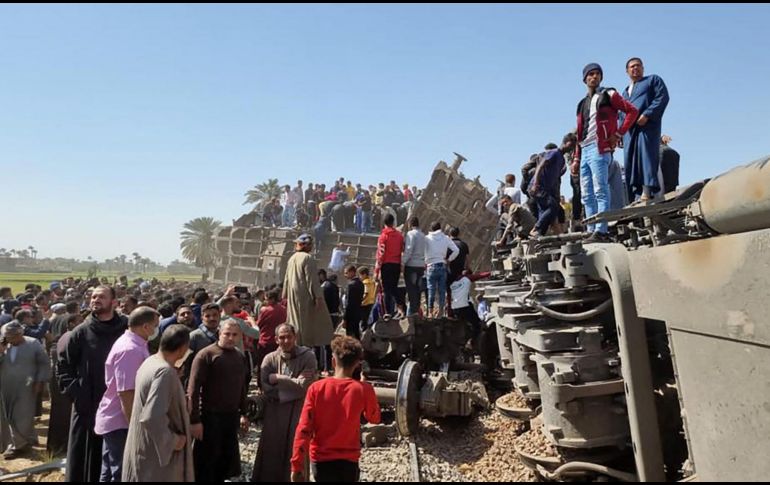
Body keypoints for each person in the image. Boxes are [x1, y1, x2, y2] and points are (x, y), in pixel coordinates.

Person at [57, 286, 128, 482]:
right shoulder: (80, 333)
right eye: (93, 296)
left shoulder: (127, 329)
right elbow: (64, 368)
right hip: (88, 406)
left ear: (114, 302)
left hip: (120, 406)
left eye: (101, 297)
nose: (95, 300)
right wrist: (77, 395)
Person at [290, 336, 381, 483]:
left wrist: (296, 465)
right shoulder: (364, 389)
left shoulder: (316, 389)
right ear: (357, 364)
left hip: (321, 459)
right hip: (349, 460)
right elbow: (374, 417)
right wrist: (367, 389)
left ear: (333, 362)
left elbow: (303, 429)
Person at [573, 63, 638, 242]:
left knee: (600, 188)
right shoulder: (581, 103)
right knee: (586, 193)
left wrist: (618, 133)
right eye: (590, 74)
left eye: (597, 74)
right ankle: (591, 228)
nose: (594, 77)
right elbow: (580, 132)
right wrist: (576, 158)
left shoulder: (609, 94)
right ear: (584, 78)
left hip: (599, 148)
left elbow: (632, 111)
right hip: (584, 149)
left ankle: (602, 230)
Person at [121, 324, 193, 482]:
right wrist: (173, 441)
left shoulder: (151, 362)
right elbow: (152, 417)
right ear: (182, 349)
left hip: (144, 448)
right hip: (156, 456)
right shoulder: (164, 372)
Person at [94, 307, 158, 482]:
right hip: (121, 421)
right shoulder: (130, 350)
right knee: (122, 472)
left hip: (116, 419)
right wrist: (134, 428)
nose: (156, 330)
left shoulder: (136, 344)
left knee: (109, 471)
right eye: (155, 325)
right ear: (145, 326)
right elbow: (126, 392)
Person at [187, 320, 250, 482]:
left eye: (234, 335)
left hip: (230, 416)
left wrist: (244, 413)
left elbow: (241, 386)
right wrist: (194, 420)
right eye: (226, 334)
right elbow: (193, 390)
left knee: (226, 463)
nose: (230, 338)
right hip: (209, 417)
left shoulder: (239, 356)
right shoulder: (206, 355)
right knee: (206, 464)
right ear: (219, 334)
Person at [252, 324, 317, 482]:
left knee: (297, 448)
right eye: (281, 337)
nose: (286, 340)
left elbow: (305, 386)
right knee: (272, 448)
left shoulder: (308, 356)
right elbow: (266, 386)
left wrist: (280, 378)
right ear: (276, 339)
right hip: (275, 411)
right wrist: (292, 386)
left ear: (295, 337)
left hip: (299, 410)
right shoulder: (269, 359)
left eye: (289, 336)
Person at [622, 57, 670, 201]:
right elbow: (620, 114)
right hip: (630, 133)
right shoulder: (625, 93)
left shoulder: (652, 80)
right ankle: (636, 196)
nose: (635, 68)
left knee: (646, 158)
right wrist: (620, 132)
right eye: (632, 67)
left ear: (643, 68)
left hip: (646, 128)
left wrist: (647, 114)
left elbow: (662, 97)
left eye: (638, 66)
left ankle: (647, 191)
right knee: (630, 162)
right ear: (627, 71)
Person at [0, 322, 51, 459]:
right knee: (8, 417)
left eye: (10, 337)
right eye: (6, 337)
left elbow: (44, 363)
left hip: (27, 385)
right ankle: (26, 439)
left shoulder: (33, 343)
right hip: (6, 387)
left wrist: (40, 381)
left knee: (22, 415)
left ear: (19, 334)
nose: (8, 339)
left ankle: (18, 446)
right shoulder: (4, 346)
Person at [283, 234, 334, 359]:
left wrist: (284, 295)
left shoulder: (292, 258)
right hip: (304, 297)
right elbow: (312, 280)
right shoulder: (308, 258)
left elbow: (286, 280)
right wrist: (318, 297)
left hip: (292, 297)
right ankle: (303, 353)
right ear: (306, 245)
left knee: (295, 324)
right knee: (307, 328)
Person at [528, 133, 578, 237]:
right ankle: (536, 229)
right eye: (571, 145)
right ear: (565, 142)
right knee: (554, 206)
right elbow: (540, 166)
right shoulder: (554, 153)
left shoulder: (562, 160)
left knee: (544, 212)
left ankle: (538, 234)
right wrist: (535, 183)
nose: (572, 148)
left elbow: (554, 178)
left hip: (546, 189)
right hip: (538, 187)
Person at [424, 222, 459, 318]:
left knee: (431, 289)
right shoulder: (445, 238)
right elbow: (456, 250)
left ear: (431, 229)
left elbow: (423, 250)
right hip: (442, 266)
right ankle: (441, 312)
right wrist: (449, 259)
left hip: (430, 266)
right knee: (442, 290)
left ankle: (430, 312)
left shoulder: (427, 238)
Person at [375, 213, 405, 317]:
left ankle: (388, 312)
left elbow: (380, 254)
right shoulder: (400, 236)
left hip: (386, 265)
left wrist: (376, 271)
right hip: (396, 264)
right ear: (393, 223)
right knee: (394, 287)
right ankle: (401, 307)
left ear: (384, 223)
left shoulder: (383, 236)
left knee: (387, 289)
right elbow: (403, 250)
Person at [254, 289, 287, 383]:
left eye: (266, 299)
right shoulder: (283, 309)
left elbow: (259, 324)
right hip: (278, 342)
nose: (265, 301)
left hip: (265, 341)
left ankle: (261, 384)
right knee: (277, 364)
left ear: (272, 299)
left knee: (263, 365)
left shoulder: (265, 310)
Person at [401, 217, 427, 316]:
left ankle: (411, 315)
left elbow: (409, 250)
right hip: (420, 266)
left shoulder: (411, 234)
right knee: (418, 291)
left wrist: (402, 262)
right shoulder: (423, 235)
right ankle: (416, 312)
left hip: (411, 266)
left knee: (411, 291)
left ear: (410, 224)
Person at [341, 265, 365, 340]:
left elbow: (349, 303)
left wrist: (345, 318)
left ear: (352, 272)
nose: (345, 275)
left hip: (350, 315)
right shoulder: (361, 283)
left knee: (350, 337)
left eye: (346, 273)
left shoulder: (351, 285)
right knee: (356, 334)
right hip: (357, 313)